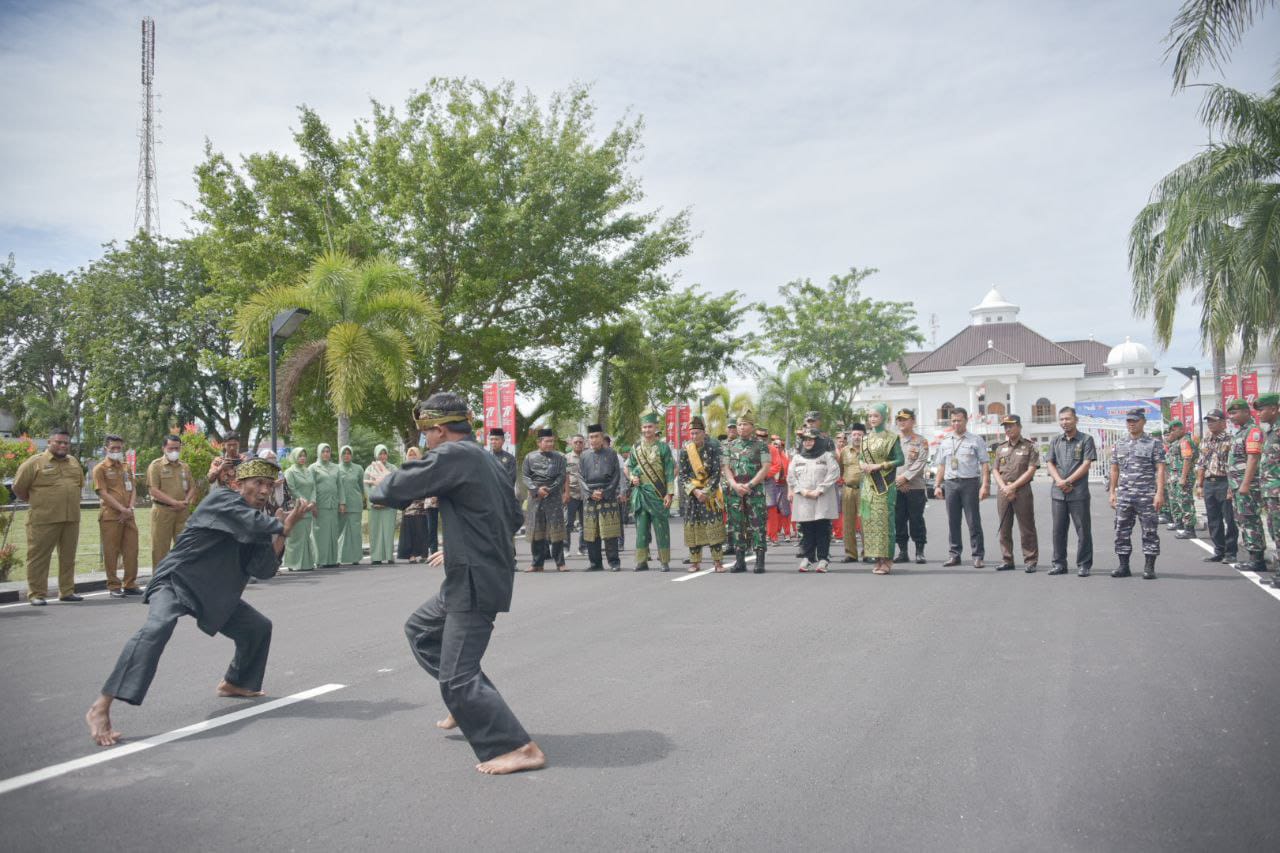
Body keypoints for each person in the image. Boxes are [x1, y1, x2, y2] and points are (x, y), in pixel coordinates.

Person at [371, 394, 545, 776]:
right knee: (421, 630)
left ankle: (518, 746)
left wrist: (383, 482)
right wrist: (462, 545)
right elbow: (512, 514)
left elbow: (395, 489)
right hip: (472, 570)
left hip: (474, 578)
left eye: (427, 434)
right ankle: (468, 705)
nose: (426, 442)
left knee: (457, 677)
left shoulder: (454, 455)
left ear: (439, 429)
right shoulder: (485, 458)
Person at [86, 458, 313, 746]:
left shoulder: (259, 521)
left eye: (269, 485)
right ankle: (101, 706)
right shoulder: (222, 500)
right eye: (257, 483)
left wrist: (283, 532)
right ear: (238, 484)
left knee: (257, 627)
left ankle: (237, 682)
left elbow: (263, 569)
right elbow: (254, 522)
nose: (264, 490)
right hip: (178, 581)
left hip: (213, 592)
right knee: (158, 628)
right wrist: (279, 525)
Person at [12, 427, 84, 605]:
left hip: (71, 519)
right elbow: (18, 488)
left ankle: (67, 591)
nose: (62, 445)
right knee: (38, 558)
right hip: (43, 520)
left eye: (66, 443)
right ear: (49, 442)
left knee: (68, 557)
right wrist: (40, 502)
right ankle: (36, 594)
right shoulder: (34, 463)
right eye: (58, 442)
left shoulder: (74, 462)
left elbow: (79, 485)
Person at [1109, 408, 1166, 579]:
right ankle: (1123, 566)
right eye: (1129, 421)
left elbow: (1160, 469)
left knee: (1149, 531)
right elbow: (1114, 470)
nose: (1131, 424)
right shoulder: (1120, 444)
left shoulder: (1153, 443)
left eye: (1135, 420)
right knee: (1121, 531)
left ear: (1143, 422)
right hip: (1125, 495)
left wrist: (1160, 493)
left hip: (1146, 495)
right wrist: (1112, 492)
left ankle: (1149, 567)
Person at [933, 408, 990, 568]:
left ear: (966, 421)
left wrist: (985, 485)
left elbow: (985, 463)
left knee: (973, 521)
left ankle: (978, 555)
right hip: (951, 484)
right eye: (953, 421)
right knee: (953, 521)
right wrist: (937, 485)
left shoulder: (976, 440)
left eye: (959, 420)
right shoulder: (945, 441)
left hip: (969, 483)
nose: (956, 423)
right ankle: (954, 554)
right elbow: (941, 465)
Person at [1046, 406, 1097, 576]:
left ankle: (1084, 564)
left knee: (1082, 529)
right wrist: (1060, 481)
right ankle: (1059, 564)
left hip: (1078, 493)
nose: (1064, 422)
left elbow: (1086, 463)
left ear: (1076, 420)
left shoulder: (1086, 439)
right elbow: (1049, 463)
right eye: (1061, 419)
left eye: (1067, 419)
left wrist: (1068, 481)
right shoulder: (1055, 441)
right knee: (1058, 530)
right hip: (1058, 493)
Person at [721, 410, 771, 573]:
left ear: (752, 426)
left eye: (745, 424)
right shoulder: (729, 446)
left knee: (757, 525)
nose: (742, 427)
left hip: (754, 492)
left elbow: (765, 468)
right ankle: (740, 561)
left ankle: (760, 561)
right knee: (737, 525)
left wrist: (749, 485)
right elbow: (726, 468)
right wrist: (734, 484)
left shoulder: (761, 445)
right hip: (734, 493)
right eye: (740, 424)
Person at [860, 403, 905, 575]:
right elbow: (860, 457)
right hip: (868, 487)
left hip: (884, 485)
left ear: (883, 417)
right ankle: (876, 559)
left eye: (876, 416)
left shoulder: (891, 438)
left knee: (884, 523)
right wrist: (862, 464)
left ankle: (887, 560)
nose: (872, 419)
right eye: (870, 416)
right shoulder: (865, 439)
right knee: (870, 522)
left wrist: (880, 465)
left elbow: (900, 460)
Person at [93, 435, 141, 598]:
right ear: (106, 449)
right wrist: (121, 509)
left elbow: (133, 489)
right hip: (111, 516)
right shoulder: (100, 468)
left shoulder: (126, 467)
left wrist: (129, 508)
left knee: (132, 550)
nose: (116, 451)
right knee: (111, 552)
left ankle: (130, 583)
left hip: (128, 515)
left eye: (119, 448)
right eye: (113, 448)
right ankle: (114, 585)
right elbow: (103, 493)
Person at [628, 412, 675, 572]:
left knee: (661, 528)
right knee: (641, 528)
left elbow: (670, 471)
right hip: (641, 494)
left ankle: (664, 561)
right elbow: (629, 467)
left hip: (658, 495)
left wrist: (669, 494)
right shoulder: (635, 448)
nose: (647, 429)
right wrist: (632, 477)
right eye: (644, 427)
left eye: (650, 426)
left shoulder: (663, 447)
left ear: (656, 428)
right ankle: (641, 561)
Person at [679, 416, 727, 573]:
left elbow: (716, 473)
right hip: (693, 495)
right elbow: (683, 475)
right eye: (692, 433)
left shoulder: (712, 448)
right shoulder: (686, 451)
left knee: (714, 528)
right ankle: (695, 563)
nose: (694, 437)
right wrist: (695, 491)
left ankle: (718, 562)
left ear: (704, 433)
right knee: (693, 528)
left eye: (697, 433)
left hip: (710, 494)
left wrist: (706, 492)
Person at [1225, 398, 1268, 572]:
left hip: (1248, 487)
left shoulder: (1253, 431)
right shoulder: (1240, 433)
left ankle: (1257, 559)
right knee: (1242, 520)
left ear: (1246, 412)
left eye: (1235, 413)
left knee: (1251, 520)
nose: (1232, 417)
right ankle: (1252, 556)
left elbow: (1253, 458)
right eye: (1230, 414)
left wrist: (1245, 484)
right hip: (1237, 486)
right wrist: (1232, 486)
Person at [788, 428, 840, 572]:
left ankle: (823, 559)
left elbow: (834, 473)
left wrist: (820, 490)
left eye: (811, 439)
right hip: (804, 498)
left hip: (822, 497)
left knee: (823, 528)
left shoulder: (826, 456)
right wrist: (803, 491)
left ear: (817, 441)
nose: (808, 442)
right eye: (805, 440)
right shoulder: (797, 458)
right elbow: (791, 477)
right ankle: (808, 557)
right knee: (807, 529)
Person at [575, 426, 624, 571]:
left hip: (607, 496)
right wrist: (590, 493)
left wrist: (605, 492)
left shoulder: (611, 453)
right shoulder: (584, 456)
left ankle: (614, 562)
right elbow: (580, 477)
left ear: (602, 438)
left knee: (610, 533)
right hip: (590, 497)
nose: (593, 439)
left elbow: (616, 476)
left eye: (596, 436)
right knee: (591, 533)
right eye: (591, 437)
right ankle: (595, 563)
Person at [1195, 410, 1238, 564]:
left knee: (1229, 518)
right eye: (1208, 421)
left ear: (1223, 422)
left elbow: (1232, 466)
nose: (1210, 423)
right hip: (1209, 483)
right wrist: (1199, 485)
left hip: (1224, 482)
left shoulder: (1230, 440)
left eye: (1213, 420)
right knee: (1213, 518)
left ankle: (1231, 552)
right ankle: (1219, 550)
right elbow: (1201, 463)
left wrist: (1231, 487)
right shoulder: (1206, 440)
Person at [147, 434, 195, 569]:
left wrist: (185, 501)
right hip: (163, 512)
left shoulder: (184, 467)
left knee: (184, 547)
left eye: (177, 448)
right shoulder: (156, 466)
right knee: (160, 549)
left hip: (182, 512)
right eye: (171, 448)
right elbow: (154, 490)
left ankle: (180, 580)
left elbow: (192, 487)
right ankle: (159, 583)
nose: (174, 451)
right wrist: (174, 502)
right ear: (163, 448)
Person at [523, 428, 568, 572]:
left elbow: (561, 476)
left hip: (553, 497)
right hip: (535, 498)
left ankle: (560, 563)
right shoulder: (529, 457)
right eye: (547, 441)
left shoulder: (560, 457)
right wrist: (537, 490)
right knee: (536, 531)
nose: (550, 444)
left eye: (552, 441)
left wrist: (549, 489)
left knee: (556, 531)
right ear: (539, 442)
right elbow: (525, 476)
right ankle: (537, 563)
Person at [893, 409, 929, 564]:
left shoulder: (920, 441)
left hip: (915, 488)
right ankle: (902, 552)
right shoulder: (892, 440)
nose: (901, 422)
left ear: (913, 421)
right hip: (896, 487)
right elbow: (888, 463)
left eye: (905, 419)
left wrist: (905, 478)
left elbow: (921, 462)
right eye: (899, 419)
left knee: (916, 520)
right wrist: (898, 481)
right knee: (898, 520)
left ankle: (919, 551)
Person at [1255, 393, 1280, 584]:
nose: (1259, 414)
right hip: (1271, 491)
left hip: (1277, 490)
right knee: (1274, 529)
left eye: (1262, 409)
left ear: (1274, 408)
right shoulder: (1272, 431)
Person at [282, 447, 318, 572]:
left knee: (306, 536)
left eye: (304, 455)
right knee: (296, 537)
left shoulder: (308, 471)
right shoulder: (290, 472)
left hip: (308, 507)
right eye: (299, 456)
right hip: (297, 507)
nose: (302, 458)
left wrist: (312, 502)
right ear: (294, 457)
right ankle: (294, 564)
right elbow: (292, 489)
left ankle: (307, 563)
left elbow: (314, 487)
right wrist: (304, 502)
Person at [1164, 420, 1200, 539]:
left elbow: (1187, 459)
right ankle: (1180, 525)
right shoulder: (1177, 442)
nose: (1172, 433)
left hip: (1182, 476)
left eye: (1174, 430)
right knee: (1176, 502)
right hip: (1175, 477)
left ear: (1181, 429)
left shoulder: (1185, 441)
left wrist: (1183, 477)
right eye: (1171, 431)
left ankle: (1190, 529)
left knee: (1185, 502)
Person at [397, 447, 432, 563]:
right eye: (410, 455)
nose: (412, 457)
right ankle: (411, 555)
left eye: (414, 454)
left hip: (421, 503)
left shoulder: (423, 468)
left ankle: (423, 554)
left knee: (421, 529)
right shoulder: (404, 469)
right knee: (409, 531)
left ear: (419, 456)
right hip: (408, 503)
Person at [837, 425, 865, 563]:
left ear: (864, 435)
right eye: (854, 434)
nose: (856, 437)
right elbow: (840, 469)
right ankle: (851, 554)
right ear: (850, 436)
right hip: (848, 489)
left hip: (864, 490)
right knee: (848, 522)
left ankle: (868, 552)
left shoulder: (869, 451)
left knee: (865, 521)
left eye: (859, 434)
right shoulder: (844, 451)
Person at [310, 443, 341, 567]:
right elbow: (311, 486)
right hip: (320, 504)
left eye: (328, 451)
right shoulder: (313, 468)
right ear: (319, 453)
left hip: (333, 504)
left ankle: (332, 560)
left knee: (333, 532)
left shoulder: (335, 467)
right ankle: (320, 560)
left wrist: (342, 502)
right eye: (323, 451)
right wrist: (313, 504)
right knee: (320, 533)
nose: (326, 454)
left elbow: (340, 486)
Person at [365, 444, 397, 564]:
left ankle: (389, 556)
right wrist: (373, 501)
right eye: (380, 453)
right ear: (376, 455)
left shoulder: (393, 468)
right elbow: (366, 487)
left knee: (388, 531)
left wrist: (387, 501)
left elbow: (396, 485)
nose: (383, 456)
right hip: (374, 506)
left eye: (385, 453)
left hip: (389, 505)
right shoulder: (369, 469)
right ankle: (376, 557)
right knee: (375, 531)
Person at [336, 445, 366, 566]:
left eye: (348, 453)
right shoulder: (336, 469)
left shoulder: (358, 469)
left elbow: (362, 487)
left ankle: (355, 557)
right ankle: (337, 557)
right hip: (340, 504)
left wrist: (365, 500)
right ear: (340, 455)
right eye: (344, 453)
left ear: (351, 455)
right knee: (339, 531)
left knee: (355, 532)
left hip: (355, 504)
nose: (346, 455)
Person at [764, 434, 792, 545]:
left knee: (784, 510)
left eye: (780, 445)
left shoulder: (786, 458)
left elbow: (789, 474)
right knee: (769, 510)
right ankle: (769, 534)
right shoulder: (768, 453)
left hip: (783, 485)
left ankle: (787, 533)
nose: (777, 447)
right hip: (771, 484)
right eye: (774, 444)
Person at [563, 434, 586, 555]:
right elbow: (563, 477)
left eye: (580, 442)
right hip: (571, 494)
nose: (578, 444)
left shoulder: (588, 457)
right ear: (571, 443)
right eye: (576, 442)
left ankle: (582, 547)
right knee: (567, 523)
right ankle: (565, 548)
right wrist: (564, 493)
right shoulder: (566, 458)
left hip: (586, 495)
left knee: (585, 523)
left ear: (584, 443)